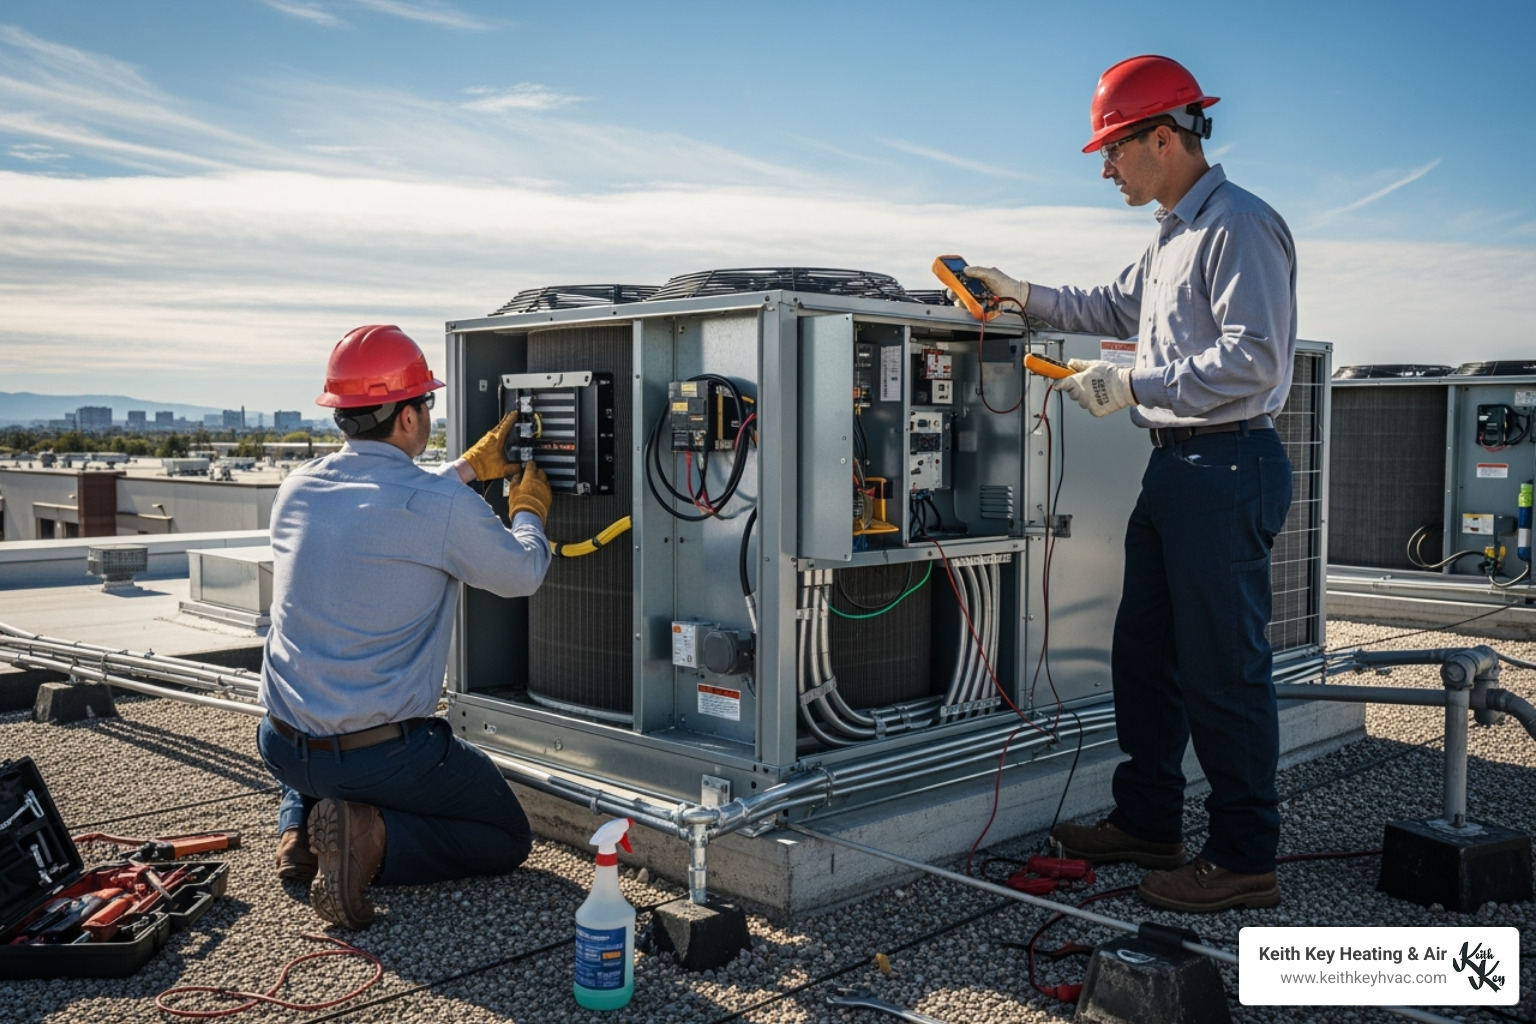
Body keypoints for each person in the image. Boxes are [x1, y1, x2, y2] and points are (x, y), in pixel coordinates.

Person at [964, 55, 1297, 913]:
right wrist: (1020, 293)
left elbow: (1255, 358)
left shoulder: (1238, 226)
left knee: (1223, 670)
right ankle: (1149, 821)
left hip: (1228, 464)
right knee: (1145, 654)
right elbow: (1111, 308)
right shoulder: (1172, 235)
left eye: (1112, 149)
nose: (1106, 168)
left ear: (1162, 138)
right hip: (1179, 466)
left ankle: (1244, 856)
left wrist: (1133, 386)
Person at [256, 324, 553, 929]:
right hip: (378, 758)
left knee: (320, 717)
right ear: (409, 417)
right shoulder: (440, 507)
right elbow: (522, 573)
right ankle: (370, 838)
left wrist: (467, 468)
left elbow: (384, 507)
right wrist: (529, 512)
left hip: (281, 745)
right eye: (426, 405)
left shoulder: (298, 487)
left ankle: (299, 830)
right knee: (505, 836)